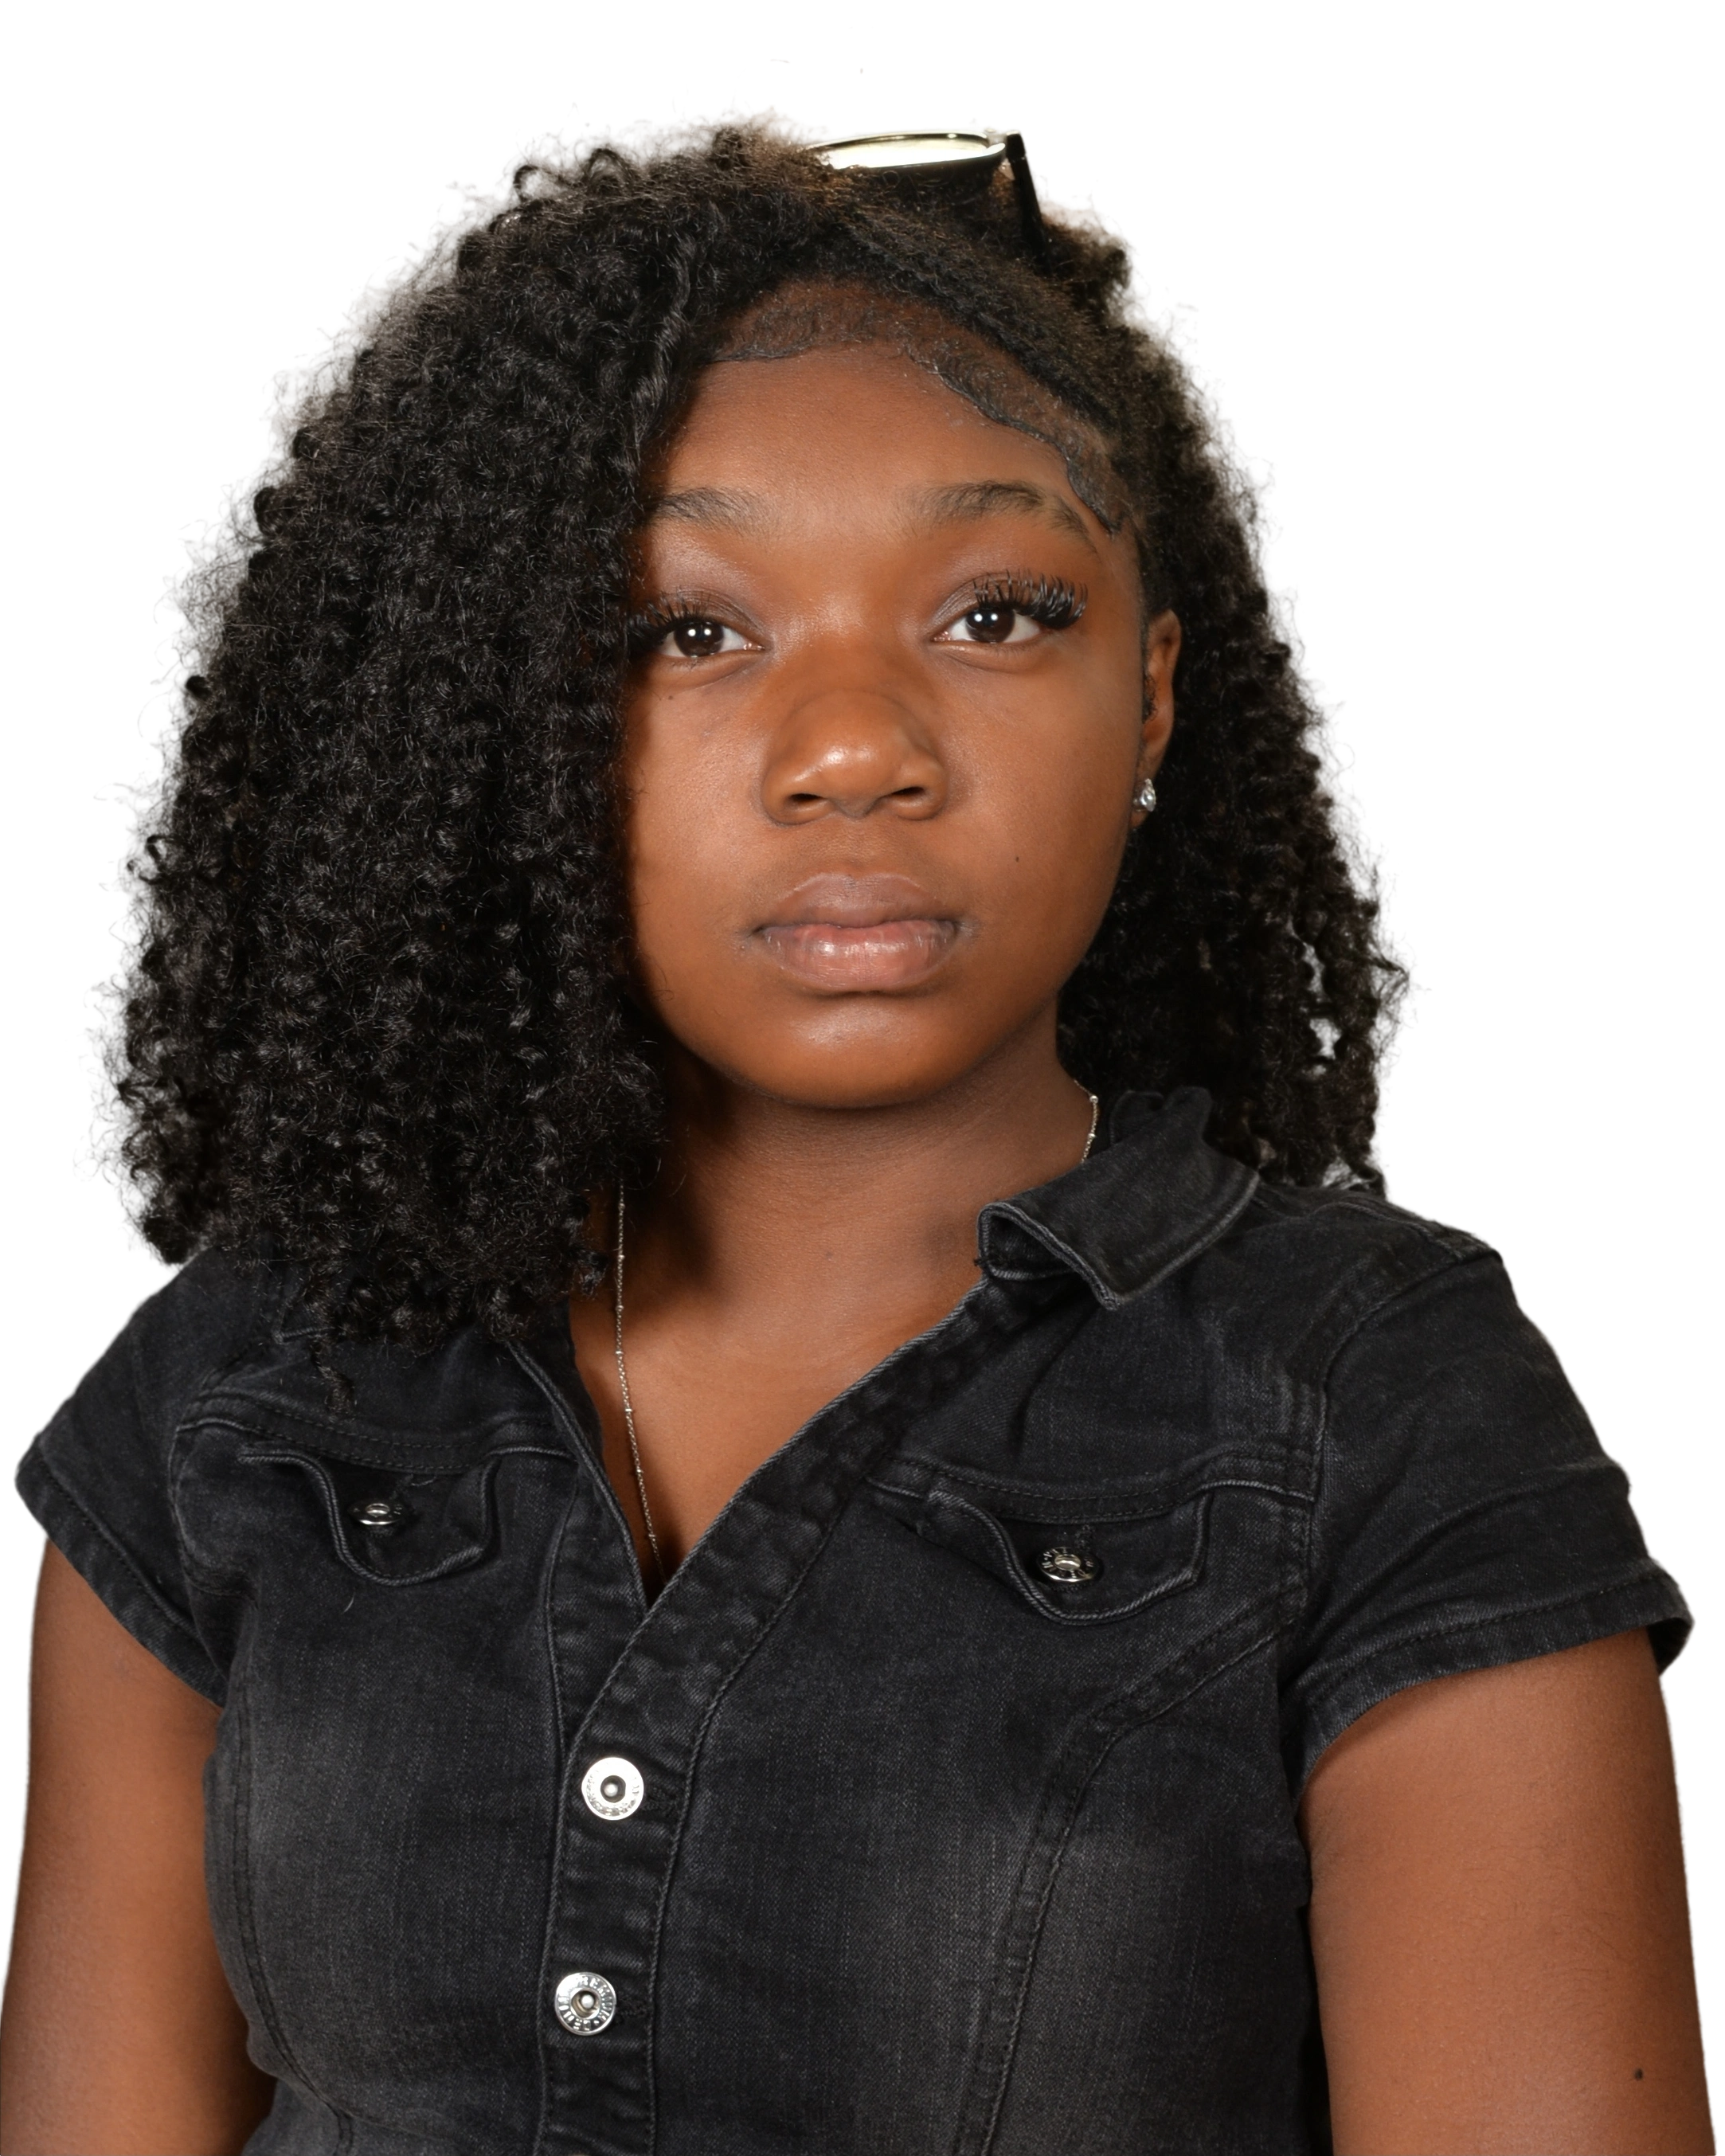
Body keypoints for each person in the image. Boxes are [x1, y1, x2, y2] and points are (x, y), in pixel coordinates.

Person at [1, 109, 1711, 2156]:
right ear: (507, 719)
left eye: (997, 613)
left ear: (1155, 698)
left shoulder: (1378, 1405)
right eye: (687, 631)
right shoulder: (248, 1383)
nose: (852, 753)